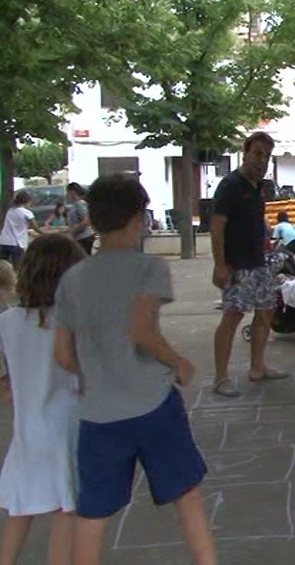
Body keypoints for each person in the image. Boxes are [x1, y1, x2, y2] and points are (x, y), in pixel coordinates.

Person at [52, 174, 216, 565]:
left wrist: (95, 374)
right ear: (139, 218)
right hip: (151, 405)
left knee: (93, 512)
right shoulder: (148, 268)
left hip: (97, 414)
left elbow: (62, 355)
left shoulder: (72, 278)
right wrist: (179, 363)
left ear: (92, 219)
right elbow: (142, 331)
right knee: (187, 494)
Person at [0, 234, 85, 565]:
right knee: (67, 506)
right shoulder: (70, 321)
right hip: (66, 426)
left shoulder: (7, 322)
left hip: (27, 428)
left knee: (23, 505)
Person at [211, 132, 290, 398]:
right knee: (232, 317)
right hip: (237, 265)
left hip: (260, 262)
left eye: (266, 156)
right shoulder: (230, 185)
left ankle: (258, 367)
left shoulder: (259, 187)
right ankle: (221, 378)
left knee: (266, 311)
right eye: (257, 154)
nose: (261, 161)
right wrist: (219, 265)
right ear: (245, 152)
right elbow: (217, 227)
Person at [0, 191, 45, 268]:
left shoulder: (10, 211)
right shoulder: (27, 213)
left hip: (3, 242)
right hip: (16, 244)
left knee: (3, 268)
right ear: (26, 201)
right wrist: (45, 234)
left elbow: (14, 226)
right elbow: (36, 228)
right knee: (18, 268)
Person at [66, 182, 96, 255]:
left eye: (68, 192)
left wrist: (73, 232)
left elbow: (86, 221)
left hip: (84, 237)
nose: (67, 195)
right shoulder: (76, 204)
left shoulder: (80, 204)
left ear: (72, 192)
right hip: (81, 237)